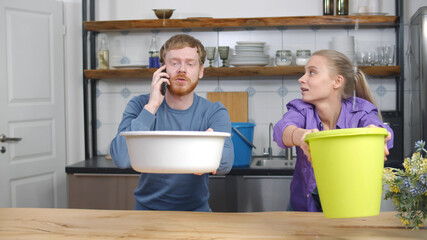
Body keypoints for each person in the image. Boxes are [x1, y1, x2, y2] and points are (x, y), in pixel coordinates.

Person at [110, 34, 234, 211]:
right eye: (174, 63)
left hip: (197, 213)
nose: (182, 69)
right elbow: (121, 158)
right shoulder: (139, 105)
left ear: (200, 70)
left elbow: (226, 162)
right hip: (146, 213)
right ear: (162, 69)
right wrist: (152, 106)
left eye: (190, 64)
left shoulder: (215, 112)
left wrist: (210, 157)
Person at [273, 49, 394, 212]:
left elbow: (383, 131)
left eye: (312, 73)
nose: (301, 79)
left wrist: (378, 134)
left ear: (337, 81)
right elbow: (281, 130)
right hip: (303, 208)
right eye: (304, 73)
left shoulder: (360, 111)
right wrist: (301, 135)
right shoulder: (301, 109)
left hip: (349, 207)